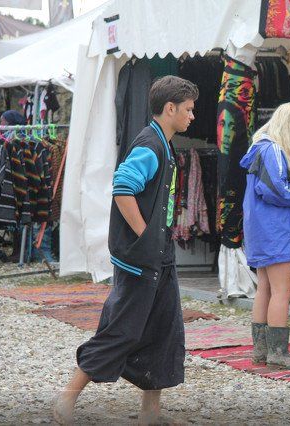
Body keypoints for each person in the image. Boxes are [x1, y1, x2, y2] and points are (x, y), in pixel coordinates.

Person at [53, 76, 199, 424]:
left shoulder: (163, 143)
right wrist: (146, 236)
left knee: (165, 331)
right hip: (140, 258)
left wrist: (156, 242)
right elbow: (122, 189)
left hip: (159, 256)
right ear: (170, 108)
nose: (192, 116)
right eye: (189, 109)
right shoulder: (150, 144)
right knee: (122, 330)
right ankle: (65, 399)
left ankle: (151, 413)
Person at [239, 102, 290, 369]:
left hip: (258, 226)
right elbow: (277, 191)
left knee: (265, 288)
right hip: (274, 228)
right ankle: (278, 353)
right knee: (283, 289)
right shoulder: (274, 150)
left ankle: (261, 350)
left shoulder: (260, 147)